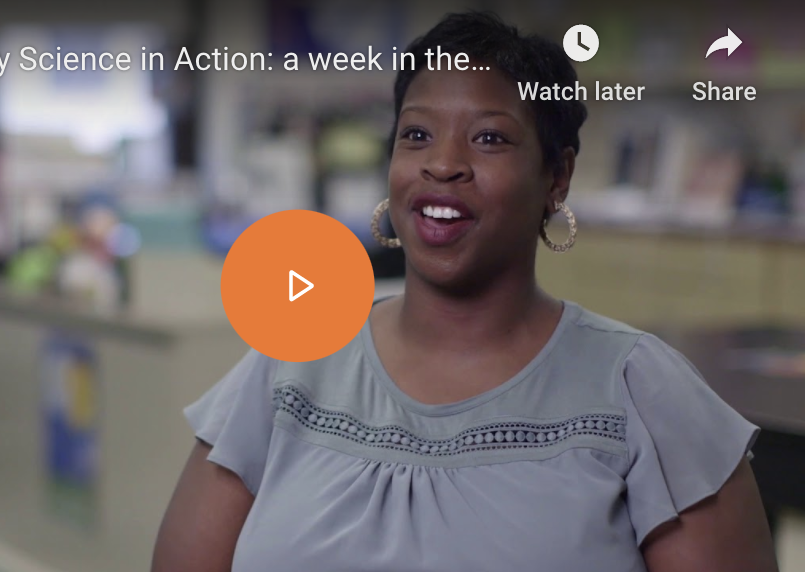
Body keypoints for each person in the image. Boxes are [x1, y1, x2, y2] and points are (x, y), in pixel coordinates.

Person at [152, 12, 778, 572]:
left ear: (557, 177)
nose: (442, 164)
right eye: (416, 135)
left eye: (489, 138)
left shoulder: (645, 393)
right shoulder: (289, 362)